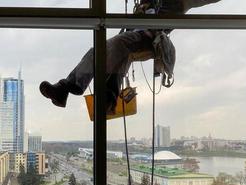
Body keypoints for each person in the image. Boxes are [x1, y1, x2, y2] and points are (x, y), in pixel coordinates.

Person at [40, 0, 222, 112]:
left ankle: (107, 98)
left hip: (152, 40)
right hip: (136, 38)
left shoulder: (177, 1)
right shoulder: (146, 5)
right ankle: (65, 89)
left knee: (119, 44)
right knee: (98, 50)